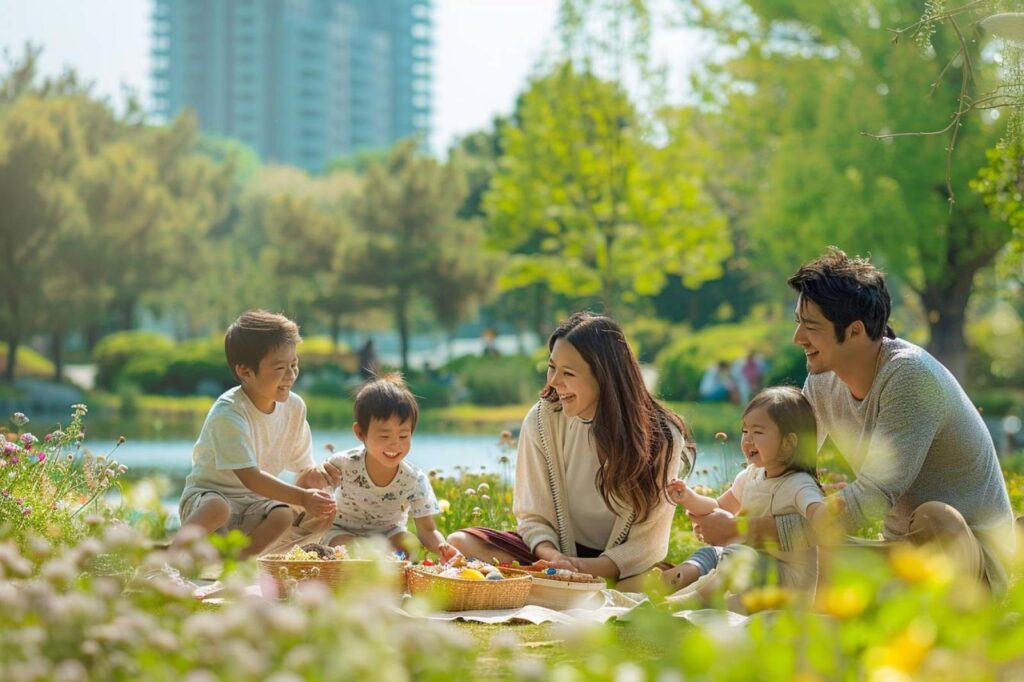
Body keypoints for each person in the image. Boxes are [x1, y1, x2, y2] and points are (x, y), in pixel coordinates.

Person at [692, 248, 1015, 593]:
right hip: (900, 552)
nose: (798, 338)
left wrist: (748, 531)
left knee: (935, 517)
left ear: (856, 331)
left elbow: (870, 499)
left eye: (811, 327)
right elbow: (784, 463)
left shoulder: (909, 378)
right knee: (806, 552)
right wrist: (722, 516)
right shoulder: (822, 379)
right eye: (798, 323)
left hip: (972, 556)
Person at [447, 312, 696, 591]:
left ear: (604, 377)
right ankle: (570, 586)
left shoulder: (662, 437)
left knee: (651, 579)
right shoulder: (543, 419)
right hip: (553, 555)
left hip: (619, 566)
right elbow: (532, 517)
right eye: (551, 367)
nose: (553, 381)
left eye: (568, 373)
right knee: (461, 543)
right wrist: (554, 559)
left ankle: (573, 587)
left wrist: (582, 568)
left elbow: (647, 543)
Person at [174, 310, 339, 560]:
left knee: (283, 513)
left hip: (255, 506)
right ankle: (168, 564)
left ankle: (239, 567)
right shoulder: (228, 413)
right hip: (209, 502)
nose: (291, 375)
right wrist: (303, 497)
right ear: (245, 372)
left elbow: (304, 471)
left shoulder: (294, 408)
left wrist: (321, 476)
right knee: (218, 508)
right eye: (280, 367)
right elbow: (251, 477)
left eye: (294, 364)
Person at [662, 387, 832, 596]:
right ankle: (670, 583)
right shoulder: (751, 475)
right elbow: (718, 507)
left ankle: (695, 599)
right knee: (711, 554)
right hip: (748, 568)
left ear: (789, 443)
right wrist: (688, 497)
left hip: (786, 583)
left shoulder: (799, 484)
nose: (747, 440)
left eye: (758, 432)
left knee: (737, 555)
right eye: (745, 431)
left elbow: (818, 513)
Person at [323, 373, 459, 562]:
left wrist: (443, 548)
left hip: (388, 535)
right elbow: (316, 496)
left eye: (403, 436)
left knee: (408, 543)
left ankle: (385, 564)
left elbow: (428, 530)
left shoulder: (413, 479)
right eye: (385, 437)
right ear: (360, 433)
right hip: (344, 532)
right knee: (346, 547)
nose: (395, 445)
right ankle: (374, 563)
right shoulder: (343, 464)